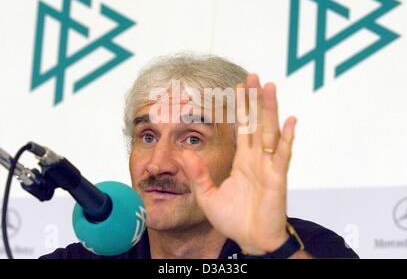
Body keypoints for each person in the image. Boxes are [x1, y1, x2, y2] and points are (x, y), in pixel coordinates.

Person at [41, 53, 358, 259]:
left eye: (192, 139)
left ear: (240, 157)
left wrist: (276, 248)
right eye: (148, 136)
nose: (158, 164)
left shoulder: (308, 249)